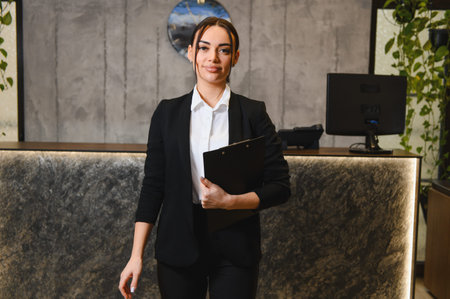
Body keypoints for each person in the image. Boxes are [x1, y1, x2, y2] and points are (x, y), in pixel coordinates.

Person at [118, 17, 290, 299]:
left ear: (235, 57)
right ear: (191, 53)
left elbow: (280, 186)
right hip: (178, 244)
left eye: (223, 50)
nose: (213, 58)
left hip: (236, 247)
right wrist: (135, 256)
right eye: (204, 48)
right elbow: (153, 187)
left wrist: (231, 202)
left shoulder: (253, 113)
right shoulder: (167, 114)